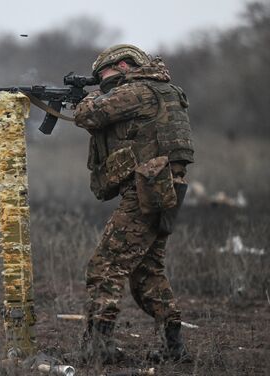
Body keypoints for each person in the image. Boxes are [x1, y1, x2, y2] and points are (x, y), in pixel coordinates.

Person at [73, 44, 194, 364]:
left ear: (125, 65)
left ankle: (98, 347)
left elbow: (91, 114)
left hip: (147, 190)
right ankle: (174, 347)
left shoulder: (140, 90)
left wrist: (83, 99)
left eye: (106, 74)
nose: (102, 81)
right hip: (163, 189)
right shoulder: (162, 89)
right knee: (146, 272)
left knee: (105, 266)